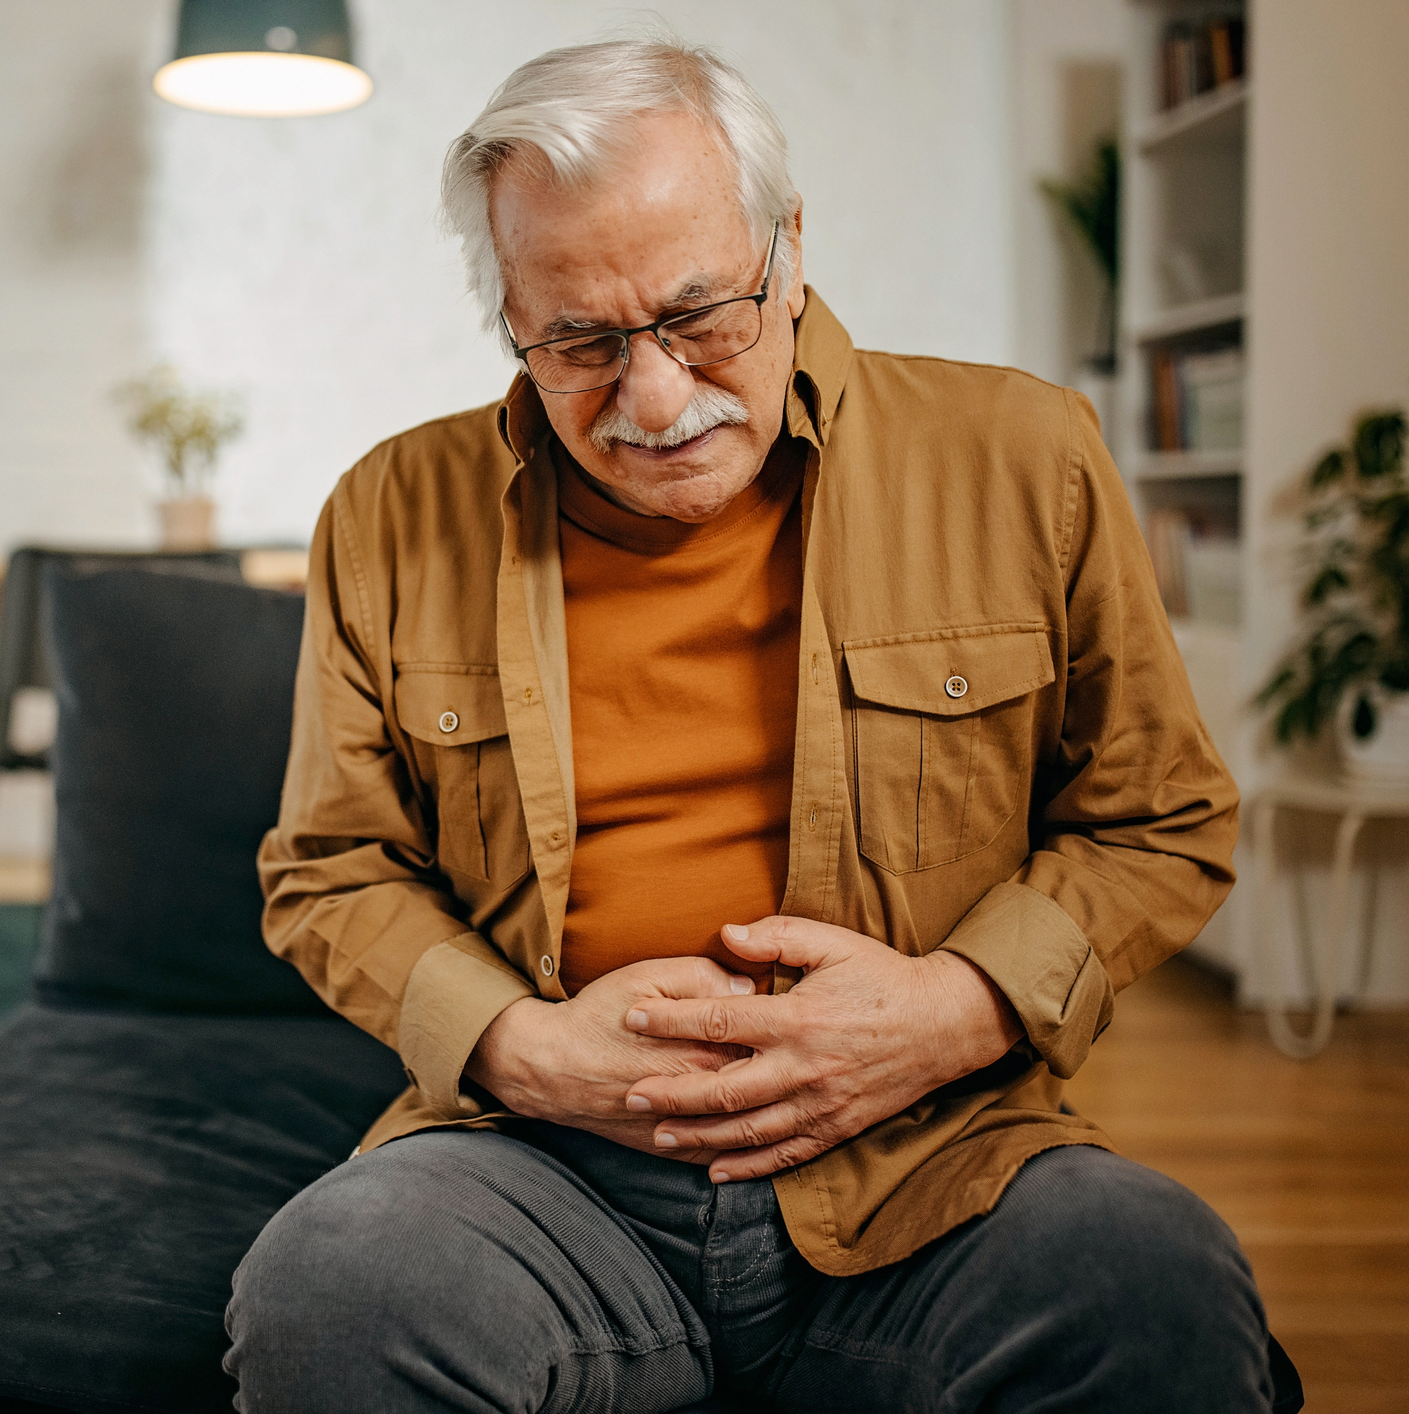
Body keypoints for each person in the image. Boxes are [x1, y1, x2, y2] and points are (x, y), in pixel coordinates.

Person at [227, 33, 1296, 1414]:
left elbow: (1162, 818)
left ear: (788, 250)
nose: (656, 399)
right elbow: (330, 869)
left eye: (699, 317)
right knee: (334, 1284)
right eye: (582, 342)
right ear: (511, 316)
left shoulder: (1026, 459)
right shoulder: (387, 511)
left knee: (1153, 1276)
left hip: (936, 1155)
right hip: (538, 1164)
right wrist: (521, 1045)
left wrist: (950, 1009)